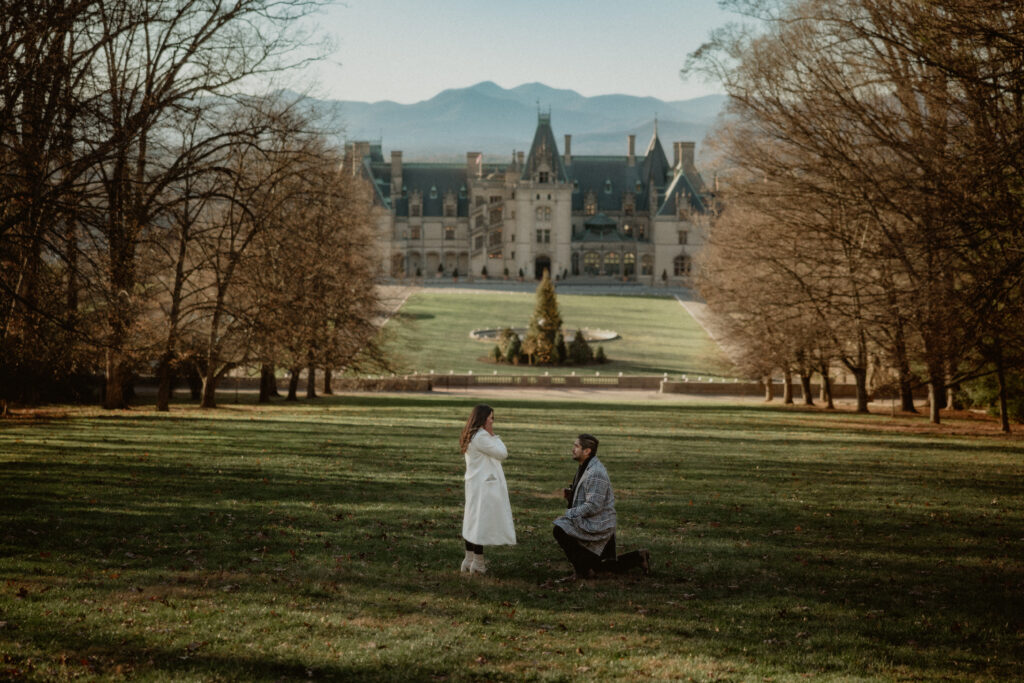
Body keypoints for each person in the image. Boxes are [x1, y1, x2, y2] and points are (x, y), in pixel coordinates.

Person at [552, 433, 650, 579]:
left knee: (560, 529)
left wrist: (570, 514)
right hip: (591, 520)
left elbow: (593, 506)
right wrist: (572, 497)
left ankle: (582, 572)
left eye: (576, 446)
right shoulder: (584, 467)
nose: (573, 449)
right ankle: (638, 557)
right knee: (596, 566)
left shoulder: (595, 473)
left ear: (587, 451)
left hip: (598, 524)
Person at [460, 404, 516, 574]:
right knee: (479, 523)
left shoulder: (471, 434)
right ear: (483, 418)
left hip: (475, 483)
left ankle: (469, 559)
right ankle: (477, 562)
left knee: (472, 520)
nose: (492, 421)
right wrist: (494, 435)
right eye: (491, 417)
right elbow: (502, 453)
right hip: (484, 485)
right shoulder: (482, 437)